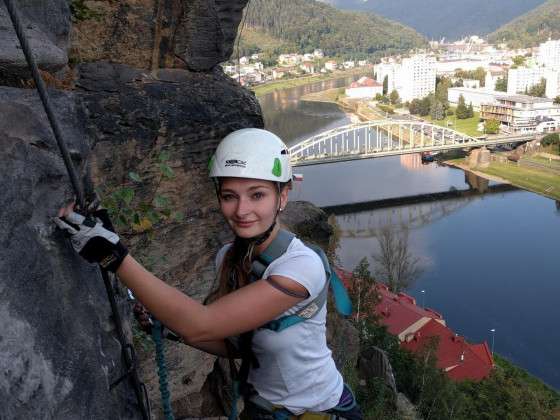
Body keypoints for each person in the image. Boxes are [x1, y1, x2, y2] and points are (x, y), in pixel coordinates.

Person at [55, 128, 362, 419]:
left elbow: (202, 325)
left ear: (282, 196)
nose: (241, 211)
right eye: (230, 196)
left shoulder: (300, 267)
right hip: (263, 411)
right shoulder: (228, 257)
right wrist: (168, 327)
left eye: (257, 195)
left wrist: (116, 257)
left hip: (319, 410)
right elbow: (237, 345)